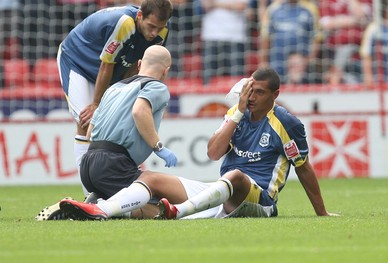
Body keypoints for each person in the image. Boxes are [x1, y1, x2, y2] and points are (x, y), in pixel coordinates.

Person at [57, 67, 338, 220]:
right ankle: (99, 209)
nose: (251, 98)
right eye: (249, 91)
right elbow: (213, 152)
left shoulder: (286, 123)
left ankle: (179, 211)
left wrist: (321, 212)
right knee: (151, 178)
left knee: (237, 176)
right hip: (220, 195)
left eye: (260, 93)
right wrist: (237, 113)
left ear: (275, 94)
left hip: (258, 201)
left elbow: (304, 168)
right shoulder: (237, 114)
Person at [57, 0, 173, 197]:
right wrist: (96, 104)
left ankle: (103, 189)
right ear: (140, 17)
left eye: (159, 28)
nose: (154, 33)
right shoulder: (124, 23)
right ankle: (89, 195)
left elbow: (135, 66)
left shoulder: (161, 33)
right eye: (150, 26)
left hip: (110, 69)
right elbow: (106, 66)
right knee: (86, 123)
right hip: (78, 63)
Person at [258, 0, 321, 84]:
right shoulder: (273, 9)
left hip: (300, 64)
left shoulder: (310, 8)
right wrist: (263, 62)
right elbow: (265, 37)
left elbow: (317, 37)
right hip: (277, 61)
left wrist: (310, 59)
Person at [360, 0, 388, 88]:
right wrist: (368, 78)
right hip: (381, 83)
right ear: (386, 8)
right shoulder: (374, 29)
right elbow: (366, 56)